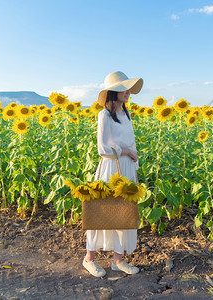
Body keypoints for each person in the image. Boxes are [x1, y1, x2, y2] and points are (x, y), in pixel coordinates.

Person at [82, 71, 143, 277]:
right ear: (113, 92)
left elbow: (132, 145)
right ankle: (89, 259)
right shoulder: (104, 115)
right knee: (102, 212)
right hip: (109, 168)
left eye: (128, 89)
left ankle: (118, 260)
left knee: (124, 213)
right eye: (123, 89)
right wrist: (124, 151)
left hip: (126, 168)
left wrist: (134, 171)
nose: (128, 92)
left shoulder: (126, 115)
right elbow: (102, 149)